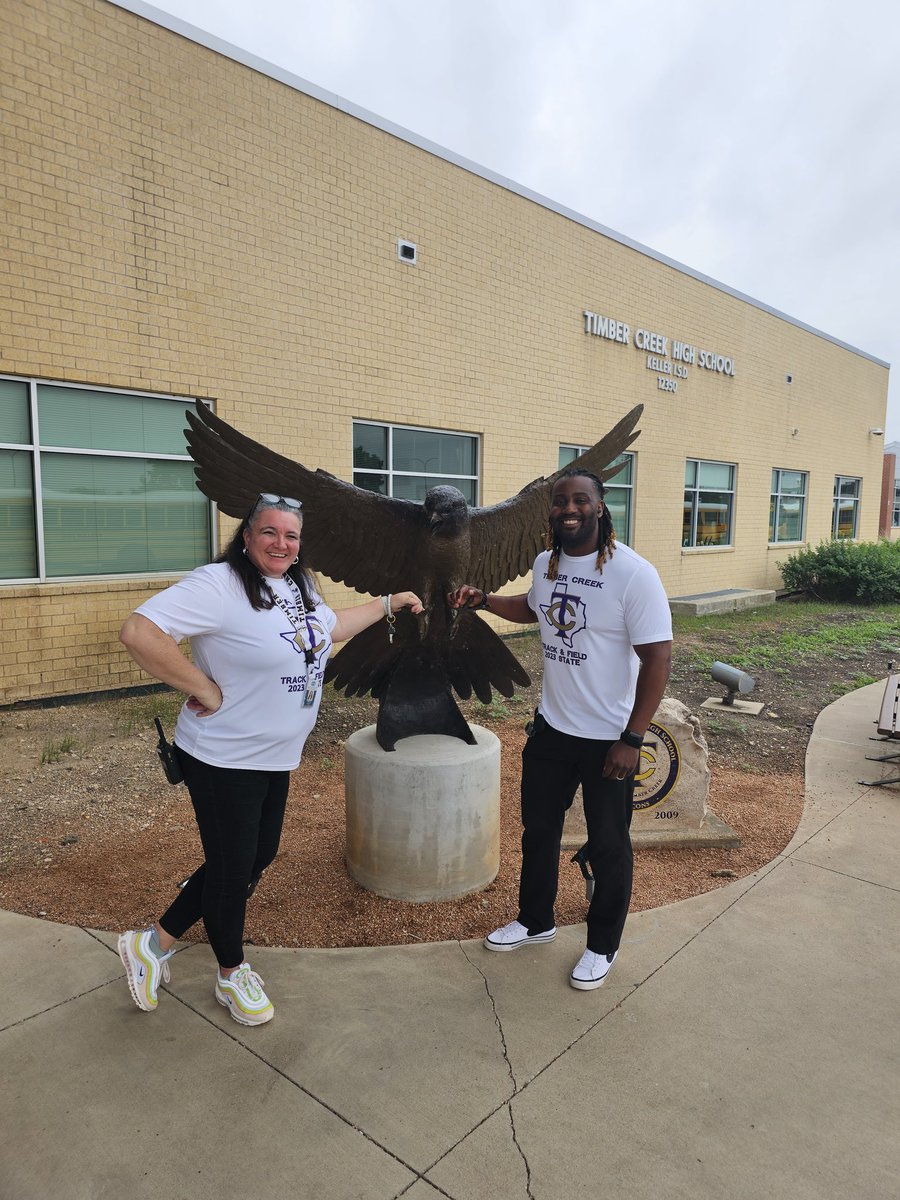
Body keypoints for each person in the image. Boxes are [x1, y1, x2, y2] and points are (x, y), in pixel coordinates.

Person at [117, 493, 422, 1026]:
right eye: (269, 532)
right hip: (222, 759)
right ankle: (232, 973)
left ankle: (153, 943)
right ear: (247, 536)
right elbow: (140, 632)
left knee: (256, 854)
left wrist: (389, 602)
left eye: (291, 535)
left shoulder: (297, 585)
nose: (281, 544)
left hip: (274, 755)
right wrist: (204, 689)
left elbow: (328, 630)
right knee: (234, 869)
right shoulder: (218, 585)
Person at [449, 469, 672, 990]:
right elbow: (534, 609)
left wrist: (633, 739)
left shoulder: (632, 574)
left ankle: (602, 945)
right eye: (559, 502)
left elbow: (657, 659)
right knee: (540, 832)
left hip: (608, 739)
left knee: (610, 843)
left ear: (599, 506)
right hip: (552, 730)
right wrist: (484, 600)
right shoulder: (546, 564)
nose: (568, 509)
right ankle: (535, 920)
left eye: (579, 500)